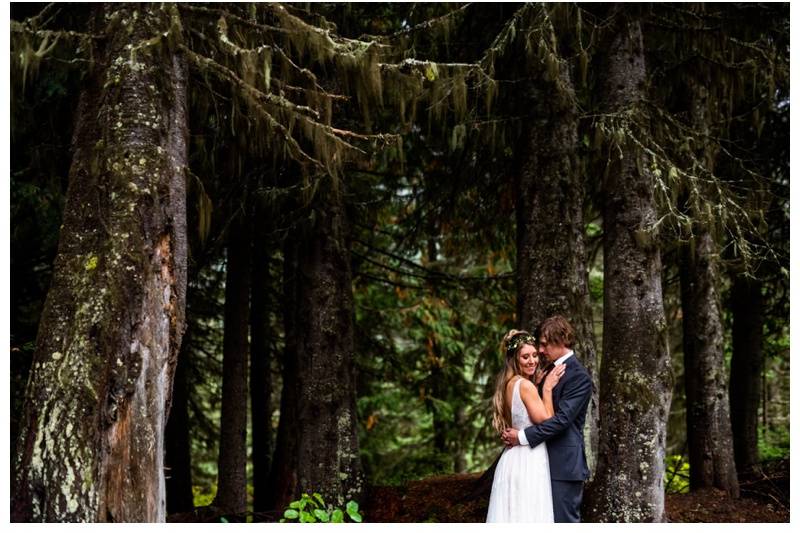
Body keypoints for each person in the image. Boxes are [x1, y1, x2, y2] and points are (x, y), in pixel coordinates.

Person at [501, 315, 593, 523]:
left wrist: (522, 437)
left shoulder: (578, 376)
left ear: (561, 340)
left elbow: (561, 421)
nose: (540, 351)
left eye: (544, 344)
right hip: (538, 463)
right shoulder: (546, 372)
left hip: (564, 466)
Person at [486, 329, 565, 522]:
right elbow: (547, 420)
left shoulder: (508, 383)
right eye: (525, 357)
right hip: (528, 458)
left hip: (512, 458)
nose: (532, 361)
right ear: (514, 359)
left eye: (535, 355)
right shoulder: (525, 386)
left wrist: (536, 386)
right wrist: (546, 389)